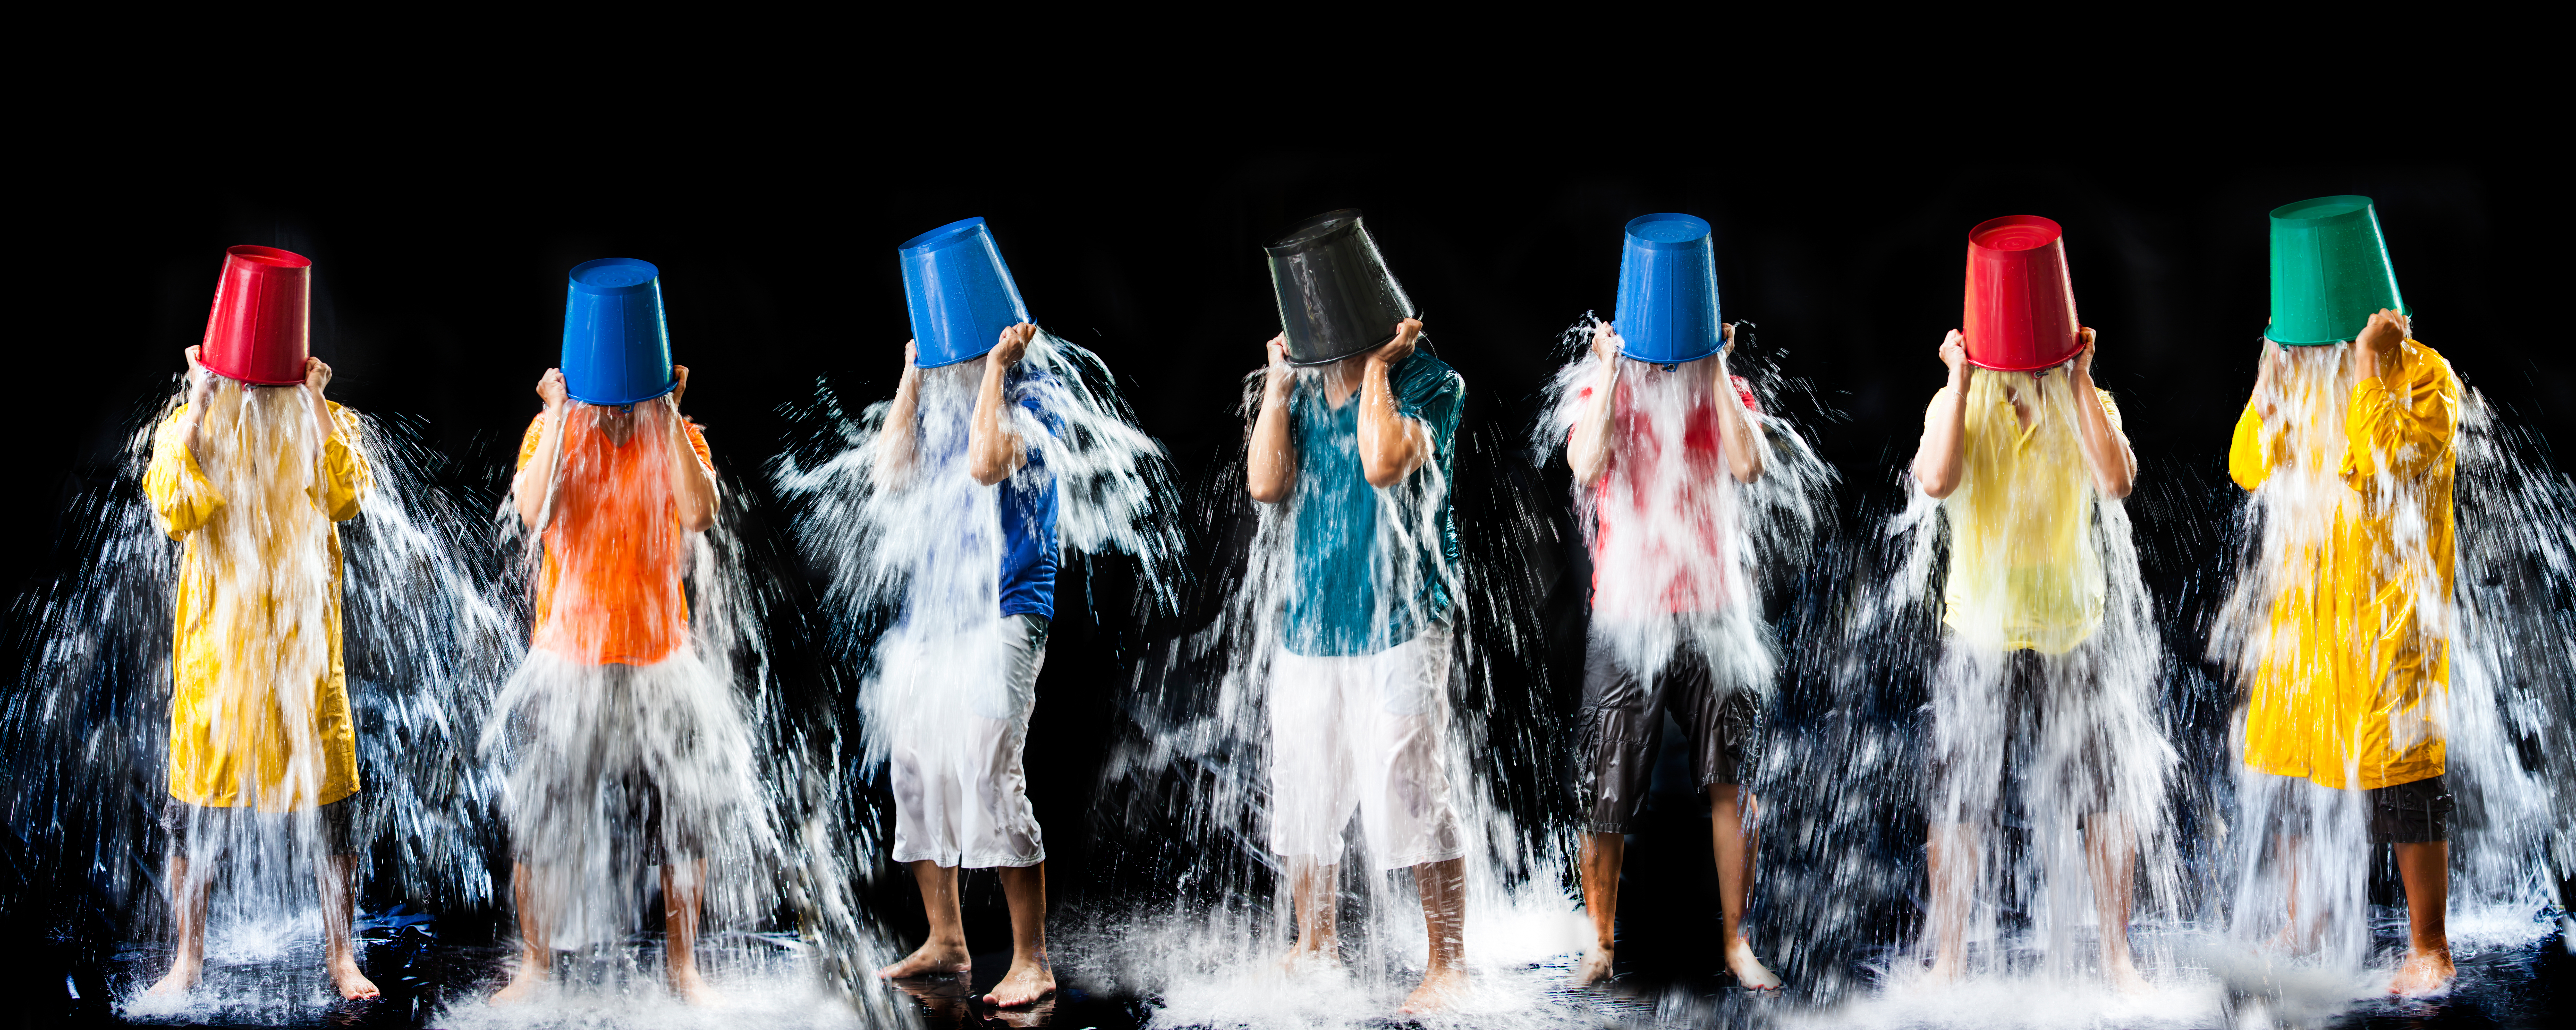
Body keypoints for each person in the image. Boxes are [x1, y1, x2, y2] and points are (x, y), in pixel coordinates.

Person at [1911, 326, 2150, 991]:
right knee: (1957, 803)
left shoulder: (2089, 398)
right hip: (1980, 633)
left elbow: (2117, 480)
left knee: (2105, 796)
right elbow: (1935, 480)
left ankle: (2117, 957)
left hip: (2073, 631)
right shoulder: (1954, 400)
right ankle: (1950, 961)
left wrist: (2077, 378)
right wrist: (1959, 380)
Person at [2230, 307, 2459, 995]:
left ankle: (2431, 949)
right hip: (2311, 616)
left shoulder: (2425, 374)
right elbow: (2249, 465)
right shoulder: (2298, 374)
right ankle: (2307, 925)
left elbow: (2389, 464)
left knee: (2405, 780)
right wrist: (2270, 377)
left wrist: (2366, 368)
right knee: (2300, 773)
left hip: (2391, 617)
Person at [1248, 315, 1472, 1014]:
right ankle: (1314, 945)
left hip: (1404, 623)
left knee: (1412, 789)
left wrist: (1377, 371)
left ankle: (1449, 965)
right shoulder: (1303, 390)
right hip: (1312, 627)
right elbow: (1265, 483)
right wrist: (1278, 386)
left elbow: (1381, 463)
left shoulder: (1432, 383)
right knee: (1304, 791)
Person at [490, 361, 730, 1005]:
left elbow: (701, 513)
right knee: (544, 816)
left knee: (682, 820)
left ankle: (685, 970)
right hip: (569, 659)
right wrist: (556, 412)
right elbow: (532, 510)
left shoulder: (679, 433)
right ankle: (536, 964)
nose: (618, 405)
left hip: (659, 659)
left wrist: (668, 415)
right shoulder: (555, 430)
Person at [143, 344, 378, 1001]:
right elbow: (173, 506)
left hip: (304, 659)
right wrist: (198, 400)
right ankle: (188, 959)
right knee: (194, 812)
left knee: (334, 808)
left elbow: (348, 495)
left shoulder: (325, 417)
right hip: (217, 661)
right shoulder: (189, 420)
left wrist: (315, 404)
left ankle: (341, 957)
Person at [1564, 321, 1778, 989]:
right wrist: (1611, 369)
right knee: (1606, 795)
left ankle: (1738, 944)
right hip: (1628, 613)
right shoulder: (1606, 387)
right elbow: (1586, 463)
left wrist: (1715, 364)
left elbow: (1750, 465)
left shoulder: (1728, 388)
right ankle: (1599, 946)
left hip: (1713, 611)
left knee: (1730, 785)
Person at [871, 322, 1064, 1009]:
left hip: (1011, 606)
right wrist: (913, 378)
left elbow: (987, 462)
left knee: (989, 769)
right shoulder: (942, 401)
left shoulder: (1038, 397)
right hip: (941, 613)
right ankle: (946, 941)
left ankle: (1032, 961)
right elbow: (890, 473)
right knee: (915, 768)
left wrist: (996, 370)